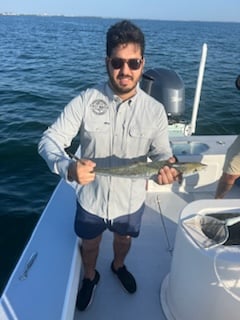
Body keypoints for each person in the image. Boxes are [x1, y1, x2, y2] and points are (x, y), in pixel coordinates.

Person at [38, 19, 178, 311]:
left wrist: (167, 170)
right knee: (89, 245)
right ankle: (90, 276)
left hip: (130, 202)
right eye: (117, 62)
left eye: (133, 62)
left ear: (143, 63)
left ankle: (118, 265)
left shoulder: (155, 111)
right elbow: (49, 140)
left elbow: (163, 153)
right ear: (107, 62)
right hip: (91, 200)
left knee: (124, 240)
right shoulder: (87, 100)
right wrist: (67, 167)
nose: (125, 70)